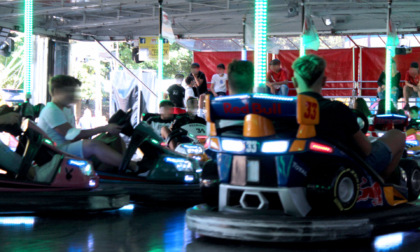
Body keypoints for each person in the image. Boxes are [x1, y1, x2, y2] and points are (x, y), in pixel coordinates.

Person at [292, 54, 405, 181]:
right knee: (398, 135)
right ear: (324, 81)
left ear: (294, 82)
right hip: (344, 169)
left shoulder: (283, 110)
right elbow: (366, 150)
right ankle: (380, 184)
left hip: (298, 166)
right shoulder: (337, 109)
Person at [37, 75, 140, 173]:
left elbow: (74, 137)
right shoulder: (51, 110)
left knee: (112, 138)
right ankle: (132, 166)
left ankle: (118, 169)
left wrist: (106, 131)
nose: (73, 96)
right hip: (56, 152)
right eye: (69, 91)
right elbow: (71, 134)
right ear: (56, 92)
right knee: (94, 145)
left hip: (65, 147)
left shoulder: (64, 110)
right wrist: (104, 128)